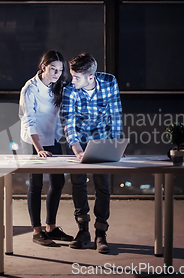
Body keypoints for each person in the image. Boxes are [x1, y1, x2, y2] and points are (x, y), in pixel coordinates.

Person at [61, 53, 123, 253]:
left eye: (76, 77)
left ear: (90, 77)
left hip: (102, 140)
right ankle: (83, 230)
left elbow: (115, 113)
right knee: (78, 184)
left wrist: (114, 145)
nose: (72, 81)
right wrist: (77, 149)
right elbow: (68, 120)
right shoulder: (70, 90)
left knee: (102, 185)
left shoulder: (109, 82)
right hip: (78, 142)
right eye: (72, 76)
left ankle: (101, 233)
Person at [19, 50, 74, 246]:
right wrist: (39, 148)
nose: (57, 73)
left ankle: (51, 228)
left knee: (58, 182)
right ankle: (37, 231)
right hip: (33, 141)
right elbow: (29, 121)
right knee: (35, 185)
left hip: (52, 138)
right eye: (53, 69)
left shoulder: (58, 86)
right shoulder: (30, 89)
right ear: (43, 67)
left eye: (60, 70)